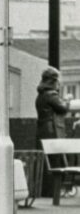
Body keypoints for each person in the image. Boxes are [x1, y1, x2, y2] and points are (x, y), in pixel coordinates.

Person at [36, 66, 73, 197]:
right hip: (53, 131)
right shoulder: (51, 95)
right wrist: (68, 100)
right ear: (54, 81)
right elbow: (62, 109)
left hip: (43, 130)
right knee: (55, 160)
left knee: (48, 161)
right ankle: (53, 191)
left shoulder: (41, 95)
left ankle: (47, 191)